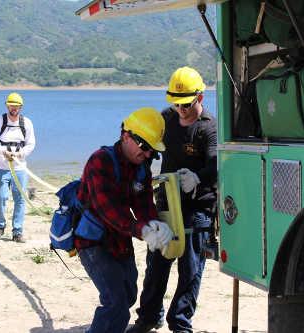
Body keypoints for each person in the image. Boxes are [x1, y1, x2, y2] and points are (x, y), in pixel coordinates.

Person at [127, 67, 217, 333]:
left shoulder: (208, 128)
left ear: (199, 98)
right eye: (176, 103)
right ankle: (148, 317)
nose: (181, 109)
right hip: (166, 202)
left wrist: (198, 177)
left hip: (197, 207)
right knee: (157, 263)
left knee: (190, 269)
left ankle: (180, 323)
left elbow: (217, 164)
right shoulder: (166, 119)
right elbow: (148, 146)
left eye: (186, 104)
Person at [75, 107, 174, 333]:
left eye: (153, 151)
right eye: (145, 147)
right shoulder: (99, 161)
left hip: (120, 239)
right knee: (116, 304)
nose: (148, 154)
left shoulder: (141, 167)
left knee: (128, 295)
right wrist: (142, 230)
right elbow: (107, 210)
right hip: (93, 242)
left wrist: (153, 224)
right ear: (126, 135)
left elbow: (144, 202)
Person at [0, 92, 36, 243]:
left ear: (20, 107)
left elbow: (31, 143)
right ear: (7, 105)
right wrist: (3, 151)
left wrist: (21, 154)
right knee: (0, 197)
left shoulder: (26, 122)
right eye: (11, 105)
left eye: (16, 106)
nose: (13, 108)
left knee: (20, 199)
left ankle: (17, 231)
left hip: (20, 168)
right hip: (0, 166)